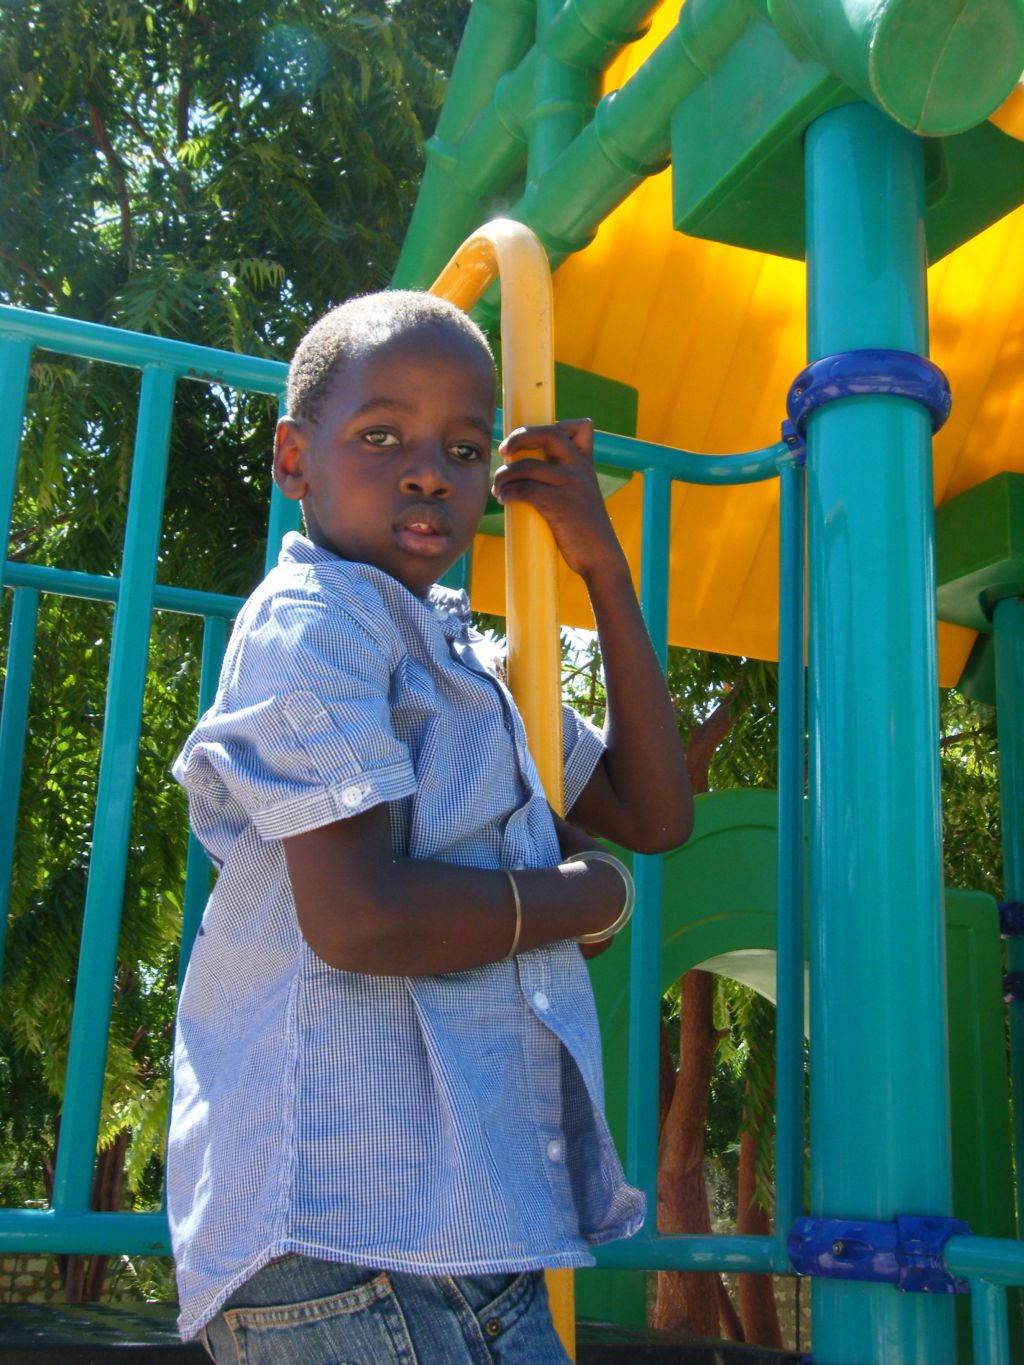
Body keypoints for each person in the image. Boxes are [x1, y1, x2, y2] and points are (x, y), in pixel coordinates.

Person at [169, 290, 693, 1364]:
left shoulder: (467, 663)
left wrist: (601, 565)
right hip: (350, 1225)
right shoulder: (317, 622)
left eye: (463, 449)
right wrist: (585, 896)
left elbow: (654, 809)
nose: (427, 473)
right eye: (382, 437)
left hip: (433, 1229)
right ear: (294, 459)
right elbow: (360, 919)